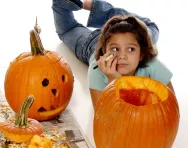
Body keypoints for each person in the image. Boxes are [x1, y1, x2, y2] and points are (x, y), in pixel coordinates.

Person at [52, 0, 174, 108]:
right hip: (92, 42)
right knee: (67, 30)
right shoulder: (97, 69)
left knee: (151, 28)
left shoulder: (151, 64)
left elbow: (171, 105)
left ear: (141, 54)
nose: (122, 56)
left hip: (127, 35)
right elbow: (104, 116)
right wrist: (113, 81)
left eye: (131, 50)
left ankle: (96, 7)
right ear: (104, 52)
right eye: (116, 50)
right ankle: (60, 3)